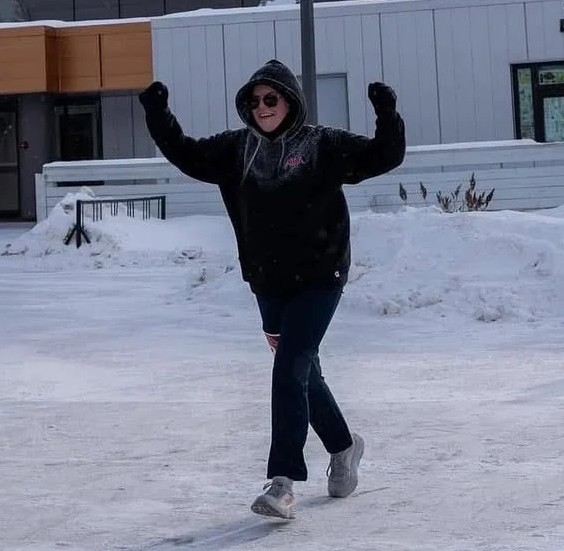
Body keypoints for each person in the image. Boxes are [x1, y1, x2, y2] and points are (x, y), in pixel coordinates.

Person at [138, 58, 406, 520]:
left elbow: (384, 156)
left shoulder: (322, 144)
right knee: (303, 373)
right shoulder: (235, 150)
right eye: (254, 100)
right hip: (269, 281)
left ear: (290, 101)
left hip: (322, 275)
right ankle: (344, 447)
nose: (262, 107)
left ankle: (282, 482)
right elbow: (184, 152)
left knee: (290, 368)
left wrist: (387, 113)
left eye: (271, 99)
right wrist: (158, 113)